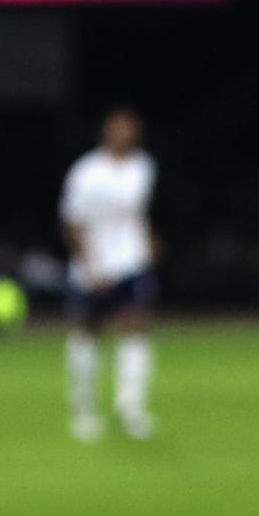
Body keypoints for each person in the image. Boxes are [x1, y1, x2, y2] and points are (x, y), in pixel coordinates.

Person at [60, 107, 159, 442]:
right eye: (119, 129)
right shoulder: (87, 172)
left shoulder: (143, 167)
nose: (125, 136)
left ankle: (130, 406)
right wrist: (91, 267)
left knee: (136, 328)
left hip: (130, 262)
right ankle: (83, 409)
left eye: (130, 130)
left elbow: (135, 214)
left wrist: (147, 241)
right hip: (93, 266)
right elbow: (72, 223)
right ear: (106, 132)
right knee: (88, 333)